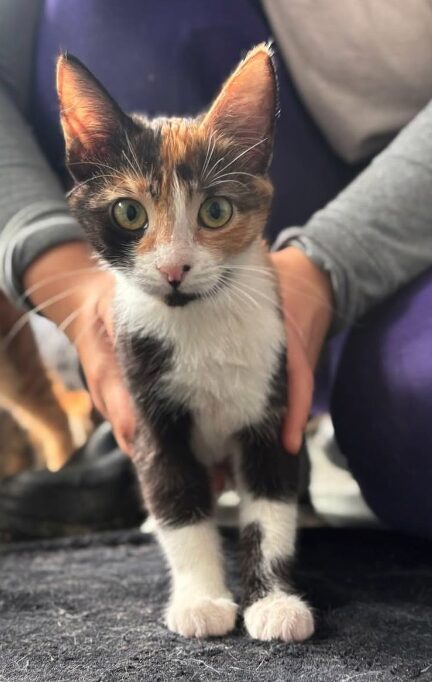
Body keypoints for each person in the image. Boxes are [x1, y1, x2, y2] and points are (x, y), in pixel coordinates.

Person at [1, 0, 432, 538]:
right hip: (262, 161)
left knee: (412, 435)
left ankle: (315, 415)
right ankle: (164, 418)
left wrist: (328, 264)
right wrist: (67, 280)